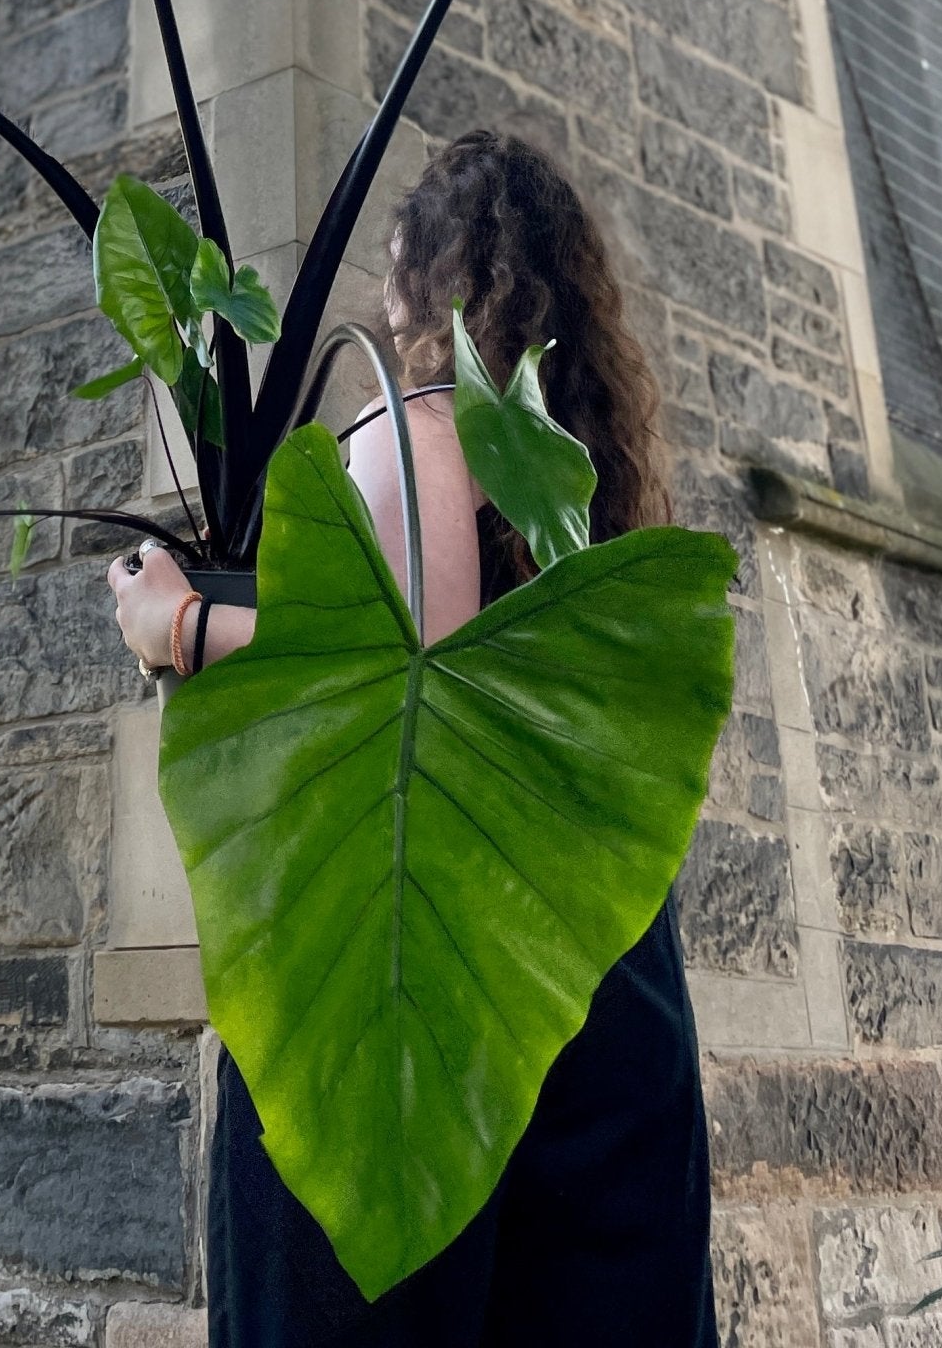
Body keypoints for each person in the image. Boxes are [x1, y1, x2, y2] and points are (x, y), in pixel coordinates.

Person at [106, 128, 718, 1347]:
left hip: (406, 939)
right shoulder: (568, 471)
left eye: (394, 261)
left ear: (428, 271)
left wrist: (176, 621)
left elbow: (399, 672)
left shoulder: (420, 423)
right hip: (593, 961)